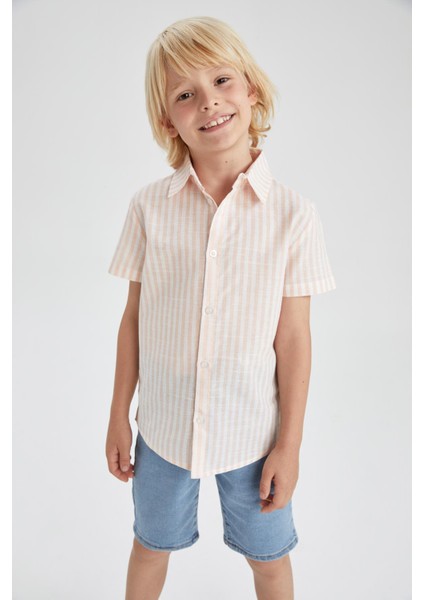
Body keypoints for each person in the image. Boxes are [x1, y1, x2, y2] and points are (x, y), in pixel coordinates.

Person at [105, 15, 336, 600]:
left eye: (222, 81)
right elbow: (132, 319)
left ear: (251, 88)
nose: (208, 102)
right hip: (163, 430)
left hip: (252, 435)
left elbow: (294, 339)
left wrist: (290, 445)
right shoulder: (149, 208)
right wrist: (117, 413)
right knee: (149, 547)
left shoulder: (294, 216)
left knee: (270, 559)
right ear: (168, 120)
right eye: (184, 95)